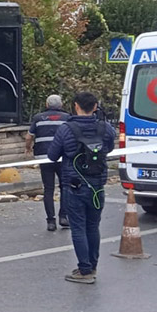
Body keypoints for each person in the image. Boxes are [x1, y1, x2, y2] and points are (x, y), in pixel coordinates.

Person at [47, 91, 117, 284]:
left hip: (74, 185)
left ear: (76, 105)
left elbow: (52, 156)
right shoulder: (106, 128)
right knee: (93, 226)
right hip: (98, 185)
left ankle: (84, 270)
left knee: (78, 228)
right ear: (95, 107)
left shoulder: (66, 129)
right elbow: (109, 148)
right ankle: (93, 266)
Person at [27, 94, 71, 232]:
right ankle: (63, 217)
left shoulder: (38, 118)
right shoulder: (67, 118)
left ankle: (51, 222)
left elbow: (29, 136)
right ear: (61, 105)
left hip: (44, 157)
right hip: (63, 157)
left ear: (46, 105)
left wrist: (27, 148)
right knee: (65, 187)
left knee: (49, 188)